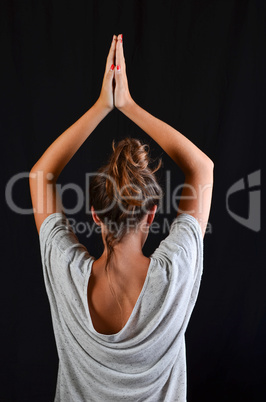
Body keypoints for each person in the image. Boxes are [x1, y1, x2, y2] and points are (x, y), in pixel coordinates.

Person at [29, 34, 214, 402]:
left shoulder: (67, 274)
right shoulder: (175, 271)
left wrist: (103, 105)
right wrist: (127, 105)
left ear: (95, 214)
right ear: (152, 214)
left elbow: (40, 176)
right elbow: (202, 169)